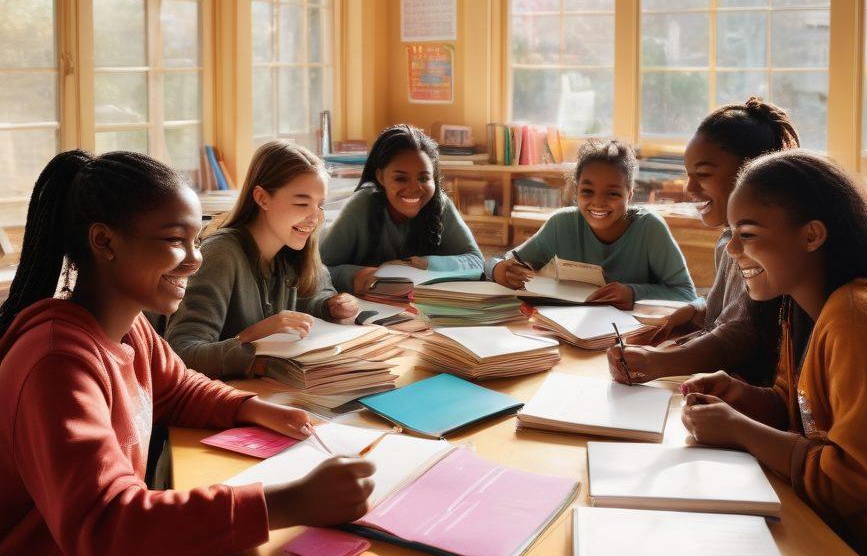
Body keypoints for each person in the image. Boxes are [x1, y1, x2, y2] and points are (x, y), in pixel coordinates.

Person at [0, 150, 374, 556]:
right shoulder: (56, 359)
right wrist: (290, 500)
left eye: (196, 239)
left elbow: (178, 388)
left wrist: (252, 406)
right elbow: (109, 527)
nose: (195, 259)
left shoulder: (129, 328)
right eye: (175, 240)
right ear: (104, 242)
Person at [680, 150, 867, 556]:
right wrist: (745, 400)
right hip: (829, 537)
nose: (733, 249)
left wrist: (740, 430)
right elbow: (801, 408)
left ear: (812, 235)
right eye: (731, 233)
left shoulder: (857, 320)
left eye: (748, 234)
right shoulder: (800, 307)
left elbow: (853, 479)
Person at [608, 97, 801, 384]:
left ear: (751, 173)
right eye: (688, 175)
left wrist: (658, 362)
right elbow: (729, 306)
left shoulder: (766, 250)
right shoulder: (728, 240)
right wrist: (695, 311)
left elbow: (741, 333)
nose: (689, 187)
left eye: (704, 174)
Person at [167, 141, 357, 379]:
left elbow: (316, 294)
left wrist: (331, 305)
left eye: (320, 205)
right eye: (301, 203)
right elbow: (180, 353)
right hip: (225, 400)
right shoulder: (222, 254)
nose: (315, 217)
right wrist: (252, 336)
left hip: (269, 391)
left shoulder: (292, 244)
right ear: (262, 198)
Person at [493, 139, 696, 308]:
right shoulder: (561, 224)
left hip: (630, 336)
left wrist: (633, 293)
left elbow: (687, 294)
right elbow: (498, 262)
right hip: (571, 327)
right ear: (576, 191)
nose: (598, 202)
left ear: (630, 195)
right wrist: (500, 270)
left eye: (613, 193)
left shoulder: (649, 228)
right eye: (587, 191)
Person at [320, 124, 484, 295]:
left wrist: (424, 264)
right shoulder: (362, 205)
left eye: (424, 178)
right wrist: (360, 276)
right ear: (380, 177)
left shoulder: (440, 204)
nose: (415, 188)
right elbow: (316, 272)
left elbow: (476, 262)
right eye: (400, 178)